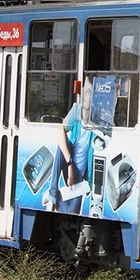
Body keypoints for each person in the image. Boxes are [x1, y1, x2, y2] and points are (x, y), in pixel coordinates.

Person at [46, 78, 94, 213]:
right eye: (86, 92)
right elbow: (61, 129)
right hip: (69, 164)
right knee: (61, 145)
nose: (86, 96)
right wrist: (70, 163)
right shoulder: (76, 111)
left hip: (81, 173)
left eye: (90, 93)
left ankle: (56, 202)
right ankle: (53, 193)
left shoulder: (98, 119)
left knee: (72, 211)